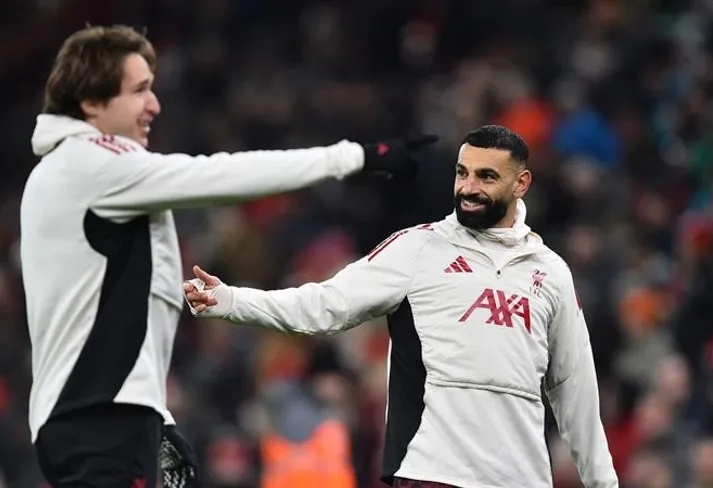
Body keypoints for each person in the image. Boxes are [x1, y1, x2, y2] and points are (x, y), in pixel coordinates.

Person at [19, 24, 435, 488]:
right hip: (101, 418)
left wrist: (157, 416)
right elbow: (217, 175)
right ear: (91, 102)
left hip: (96, 414)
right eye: (138, 91)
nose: (154, 104)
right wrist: (354, 157)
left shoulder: (71, 173)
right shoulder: (91, 165)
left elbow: (114, 317)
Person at [183, 124, 619, 487]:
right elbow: (325, 305)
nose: (468, 187)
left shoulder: (550, 273)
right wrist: (232, 299)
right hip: (433, 474)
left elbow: (575, 389)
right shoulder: (418, 249)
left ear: (521, 184)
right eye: (462, 173)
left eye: (486, 177)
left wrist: (603, 483)